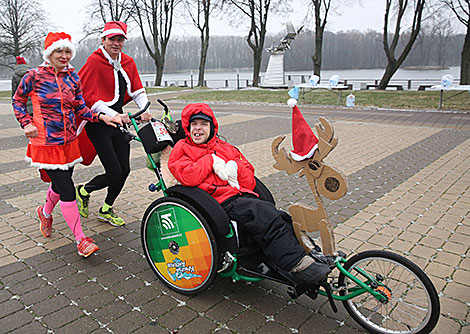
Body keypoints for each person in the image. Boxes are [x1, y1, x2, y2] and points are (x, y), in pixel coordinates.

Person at [168, 103, 332, 286]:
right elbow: (187, 176)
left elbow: (249, 179)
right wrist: (210, 160)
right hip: (215, 201)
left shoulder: (227, 148)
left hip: (241, 195)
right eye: (194, 124)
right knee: (261, 212)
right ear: (188, 128)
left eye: (203, 124)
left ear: (212, 128)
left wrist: (235, 167)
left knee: (281, 217)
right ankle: (297, 265)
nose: (198, 128)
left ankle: (311, 255)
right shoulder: (181, 148)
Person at [12, 32, 122, 257]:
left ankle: (44, 211)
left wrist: (102, 117)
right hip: (46, 143)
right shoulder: (33, 77)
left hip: (69, 142)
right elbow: (18, 101)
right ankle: (81, 240)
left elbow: (81, 108)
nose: (64, 55)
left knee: (61, 184)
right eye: (59, 51)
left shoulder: (73, 78)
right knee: (67, 191)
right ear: (49, 53)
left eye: (67, 51)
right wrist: (26, 123)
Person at [75, 21, 152, 226]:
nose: (116, 43)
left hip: (118, 122)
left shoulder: (127, 61)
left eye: (120, 39)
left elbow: (137, 90)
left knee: (124, 171)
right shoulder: (94, 61)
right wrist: (115, 115)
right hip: (98, 124)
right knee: (114, 172)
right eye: (112, 39)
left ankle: (106, 208)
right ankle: (83, 191)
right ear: (103, 39)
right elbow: (89, 97)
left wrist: (145, 110)